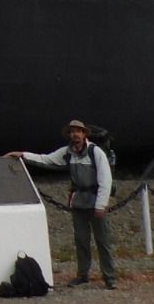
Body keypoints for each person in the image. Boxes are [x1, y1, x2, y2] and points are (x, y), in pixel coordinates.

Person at [6, 120, 117, 289]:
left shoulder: (96, 152)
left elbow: (105, 180)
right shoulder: (68, 152)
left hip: (95, 200)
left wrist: (101, 204)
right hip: (79, 202)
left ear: (84, 134)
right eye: (72, 132)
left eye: (78, 131)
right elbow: (46, 159)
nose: (75, 134)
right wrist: (23, 155)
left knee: (103, 241)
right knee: (81, 240)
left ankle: (110, 277)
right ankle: (83, 275)